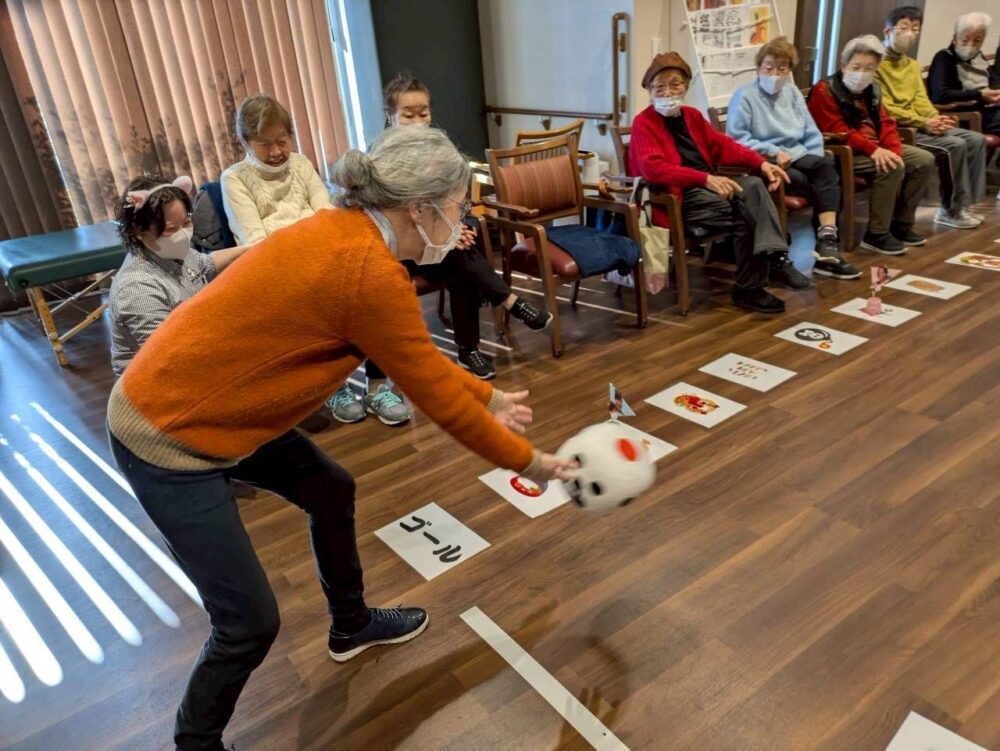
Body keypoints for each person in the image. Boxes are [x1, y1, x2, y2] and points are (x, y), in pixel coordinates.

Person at [107, 124, 576, 751]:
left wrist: (489, 393)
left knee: (331, 489)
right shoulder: (367, 272)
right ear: (421, 207)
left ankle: (350, 626)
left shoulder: (343, 230)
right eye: (460, 205)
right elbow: (435, 399)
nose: (463, 219)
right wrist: (534, 462)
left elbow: (417, 362)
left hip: (222, 411)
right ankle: (196, 742)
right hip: (166, 434)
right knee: (248, 623)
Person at [221, 94, 410, 426]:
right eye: (265, 144)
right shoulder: (234, 178)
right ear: (245, 142)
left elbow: (327, 216)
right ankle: (332, 387)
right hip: (275, 268)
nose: (277, 151)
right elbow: (255, 240)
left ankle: (379, 387)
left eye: (282, 140)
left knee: (378, 291)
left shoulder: (301, 163)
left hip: (322, 256)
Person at [378, 72, 553, 379]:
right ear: (391, 116)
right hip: (403, 250)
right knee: (460, 255)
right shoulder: (381, 157)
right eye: (408, 114)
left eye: (424, 113)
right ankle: (509, 303)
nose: (418, 120)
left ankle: (469, 350)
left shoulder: (441, 146)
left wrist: (454, 228)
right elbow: (393, 215)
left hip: (442, 244)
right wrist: (447, 233)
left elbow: (455, 199)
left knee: (460, 258)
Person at [629, 51, 813, 315]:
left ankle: (766, 267)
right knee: (750, 208)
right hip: (679, 196)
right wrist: (704, 178)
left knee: (754, 184)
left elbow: (723, 145)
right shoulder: (643, 123)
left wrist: (760, 163)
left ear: (686, 86)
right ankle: (763, 273)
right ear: (649, 90)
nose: (668, 92)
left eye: (675, 84)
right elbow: (653, 169)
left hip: (710, 190)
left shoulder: (692, 116)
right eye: (659, 87)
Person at [727, 37, 861, 280]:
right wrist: (769, 151)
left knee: (825, 166)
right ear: (758, 68)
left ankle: (826, 241)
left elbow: (811, 131)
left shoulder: (792, 93)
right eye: (769, 67)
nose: (775, 74)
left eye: (782, 68)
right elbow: (737, 139)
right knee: (823, 183)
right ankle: (827, 247)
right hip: (768, 160)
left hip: (798, 153)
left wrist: (814, 155)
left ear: (789, 70)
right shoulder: (744, 96)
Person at [109, 176, 253, 376]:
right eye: (171, 229)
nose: (184, 233)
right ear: (139, 232)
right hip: (160, 381)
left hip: (194, 355)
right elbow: (171, 357)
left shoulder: (171, 253)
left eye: (186, 222)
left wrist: (252, 249)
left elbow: (207, 264)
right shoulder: (137, 289)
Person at [808, 34, 936, 255]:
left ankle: (901, 224)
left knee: (924, 160)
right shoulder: (824, 90)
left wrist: (892, 151)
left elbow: (886, 123)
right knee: (892, 167)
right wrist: (875, 150)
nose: (862, 73)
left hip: (875, 148)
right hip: (845, 152)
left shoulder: (874, 89)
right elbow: (839, 131)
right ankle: (876, 234)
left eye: (869, 68)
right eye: (856, 66)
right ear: (843, 65)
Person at [876, 6, 987, 229]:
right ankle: (950, 210)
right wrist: (924, 122)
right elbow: (885, 107)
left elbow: (921, 99)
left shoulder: (911, 64)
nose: (910, 33)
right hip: (899, 128)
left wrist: (936, 118)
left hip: (922, 123)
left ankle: (965, 205)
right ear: (888, 32)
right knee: (954, 145)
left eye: (915, 28)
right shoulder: (875, 63)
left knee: (976, 140)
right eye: (904, 27)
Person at [928, 12, 1000, 136]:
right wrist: (979, 95)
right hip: (968, 114)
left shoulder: (978, 57)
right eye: (965, 40)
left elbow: (993, 79)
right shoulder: (944, 57)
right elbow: (940, 94)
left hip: (990, 108)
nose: (970, 46)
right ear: (955, 38)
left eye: (977, 41)